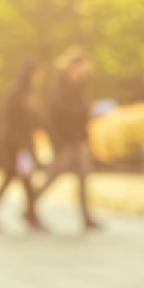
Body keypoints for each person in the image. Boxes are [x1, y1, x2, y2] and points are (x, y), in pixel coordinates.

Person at [35, 48, 101, 231]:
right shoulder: (59, 86)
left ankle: (86, 217)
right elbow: (54, 115)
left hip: (76, 140)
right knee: (54, 175)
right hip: (64, 141)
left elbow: (80, 115)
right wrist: (58, 140)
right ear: (73, 66)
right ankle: (31, 205)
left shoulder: (78, 86)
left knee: (82, 176)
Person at [0, 60, 45, 232]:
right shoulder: (18, 94)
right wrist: (19, 146)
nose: (41, 77)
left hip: (20, 146)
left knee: (18, 181)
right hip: (17, 147)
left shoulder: (25, 92)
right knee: (22, 181)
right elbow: (13, 122)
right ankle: (30, 216)